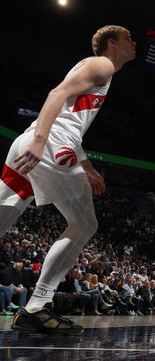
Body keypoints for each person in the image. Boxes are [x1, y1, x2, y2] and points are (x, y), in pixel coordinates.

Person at [0, 26, 135, 334]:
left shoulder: (99, 71)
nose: (135, 43)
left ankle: (36, 308)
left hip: (36, 145)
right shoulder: (102, 64)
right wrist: (40, 140)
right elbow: (56, 94)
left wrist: (86, 165)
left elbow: (67, 113)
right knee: (86, 224)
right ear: (112, 43)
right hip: (49, 147)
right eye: (130, 38)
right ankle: (37, 305)